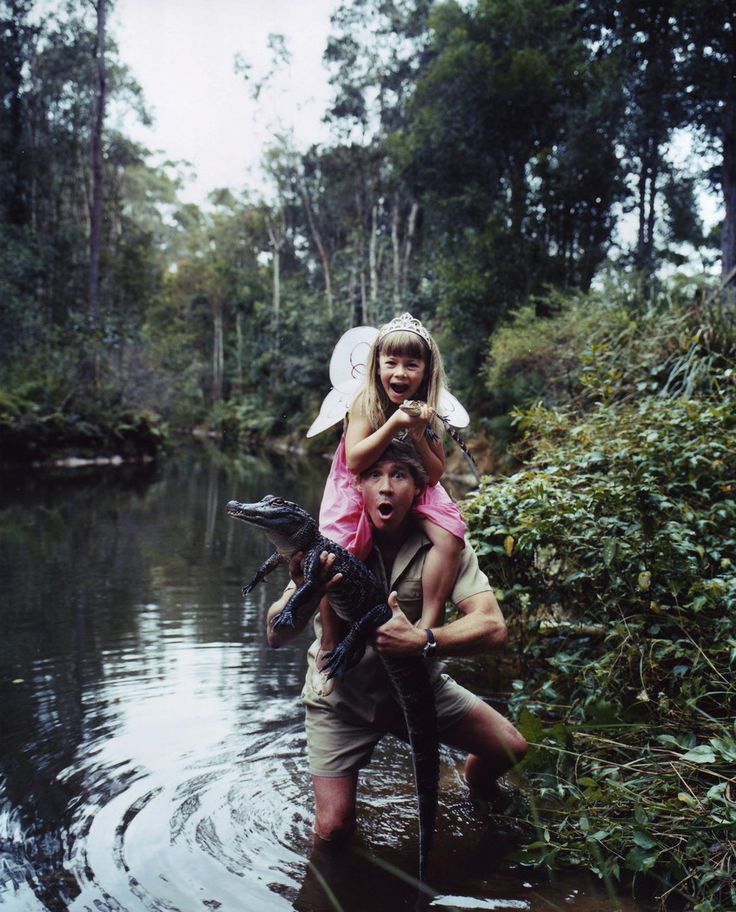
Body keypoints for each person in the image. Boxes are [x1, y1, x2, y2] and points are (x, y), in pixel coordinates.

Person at [266, 439, 527, 844]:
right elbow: (275, 634)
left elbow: (493, 627)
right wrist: (306, 588)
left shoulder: (446, 543)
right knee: (333, 830)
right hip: (343, 696)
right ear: (358, 486)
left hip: (418, 685)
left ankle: (469, 783)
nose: (386, 487)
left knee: (510, 748)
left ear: (418, 488)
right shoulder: (334, 541)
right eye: (374, 475)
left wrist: (424, 639)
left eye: (399, 475)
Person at [315, 313, 467, 693]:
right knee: (336, 548)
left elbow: (435, 473)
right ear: (377, 365)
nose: (400, 373)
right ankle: (330, 638)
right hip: (360, 481)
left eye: (411, 365)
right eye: (392, 363)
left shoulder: (427, 409)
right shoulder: (364, 402)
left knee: (450, 534)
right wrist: (395, 424)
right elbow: (356, 460)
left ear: (426, 371)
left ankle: (426, 626)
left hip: (411, 480)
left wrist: (417, 433)